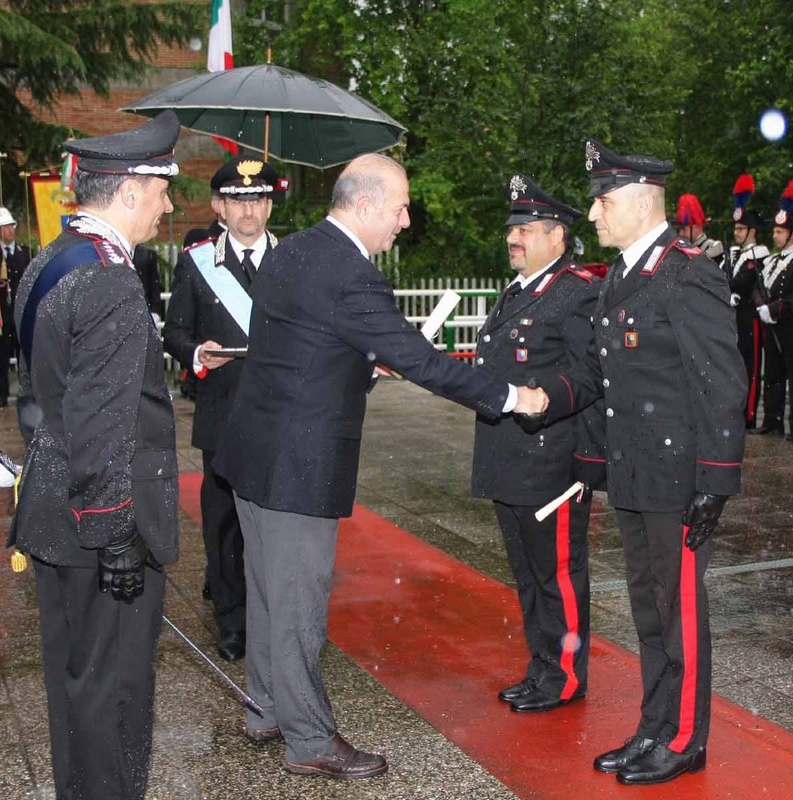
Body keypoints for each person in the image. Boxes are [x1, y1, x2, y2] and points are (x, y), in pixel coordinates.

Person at [213, 153, 545, 779]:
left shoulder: (293, 251)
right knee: (297, 603)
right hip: (297, 465)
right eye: (399, 208)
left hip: (253, 453)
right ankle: (309, 741)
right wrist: (511, 397)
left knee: (264, 590)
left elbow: (293, 342)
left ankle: (264, 707)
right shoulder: (351, 275)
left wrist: (359, 360)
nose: (405, 220)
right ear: (364, 206)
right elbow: (424, 363)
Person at [535, 139, 746, 786]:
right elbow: (608, 378)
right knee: (650, 612)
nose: (593, 215)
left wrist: (715, 481)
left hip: (678, 477)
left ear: (638, 200)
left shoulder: (687, 274)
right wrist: (555, 416)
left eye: (601, 202)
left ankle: (684, 738)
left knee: (679, 613)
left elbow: (723, 384)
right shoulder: (623, 277)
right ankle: (654, 726)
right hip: (633, 473)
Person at [9, 111, 182, 800]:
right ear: (131, 189)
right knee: (114, 693)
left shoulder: (51, 257)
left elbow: (41, 398)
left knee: (77, 682)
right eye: (162, 189)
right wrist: (116, 533)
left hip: (53, 511)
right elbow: (105, 422)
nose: (168, 205)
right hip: (100, 524)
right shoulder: (110, 278)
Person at [472, 174, 605, 713]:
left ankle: (567, 674)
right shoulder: (520, 289)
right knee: (528, 575)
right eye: (512, 229)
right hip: (509, 457)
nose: (514, 238)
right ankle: (542, 666)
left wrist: (540, 399)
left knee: (559, 576)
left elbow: (589, 374)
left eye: (526, 229)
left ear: (557, 235)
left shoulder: (576, 292)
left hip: (552, 459)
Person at [164, 155, 280, 661]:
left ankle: (275, 615)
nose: (248, 210)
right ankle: (231, 620)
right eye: (237, 200)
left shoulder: (293, 260)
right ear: (219, 206)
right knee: (225, 523)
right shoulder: (198, 262)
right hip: (223, 416)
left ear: (270, 205)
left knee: (278, 525)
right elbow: (174, 331)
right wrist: (195, 353)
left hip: (281, 418)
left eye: (257, 199)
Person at [751, 176, 793, 441]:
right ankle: (772, 419)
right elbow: (757, 286)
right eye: (774, 232)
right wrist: (760, 305)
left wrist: (775, 309)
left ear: (792, 234)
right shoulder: (772, 260)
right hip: (769, 323)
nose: (775, 235)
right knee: (773, 373)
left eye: (780, 232)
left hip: (789, 324)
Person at [728, 174, 768, 428]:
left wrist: (726, 286)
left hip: (749, 315)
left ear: (752, 231)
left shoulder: (758, 254)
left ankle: (750, 413)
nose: (736, 233)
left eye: (741, 229)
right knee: (735, 365)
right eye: (736, 228)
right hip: (733, 315)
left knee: (750, 366)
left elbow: (743, 281)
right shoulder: (735, 253)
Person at [0, 206, 30, 407]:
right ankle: (1, 394)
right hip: (0, 316)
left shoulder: (25, 253)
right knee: (1, 359)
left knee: (24, 359)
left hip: (20, 314)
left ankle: (26, 394)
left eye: (11, 226)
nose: (10, 231)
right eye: (5, 228)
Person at [673, 193, 724, 265]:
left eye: (684, 229)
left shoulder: (712, 247)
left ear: (697, 226)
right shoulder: (681, 248)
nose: (681, 233)